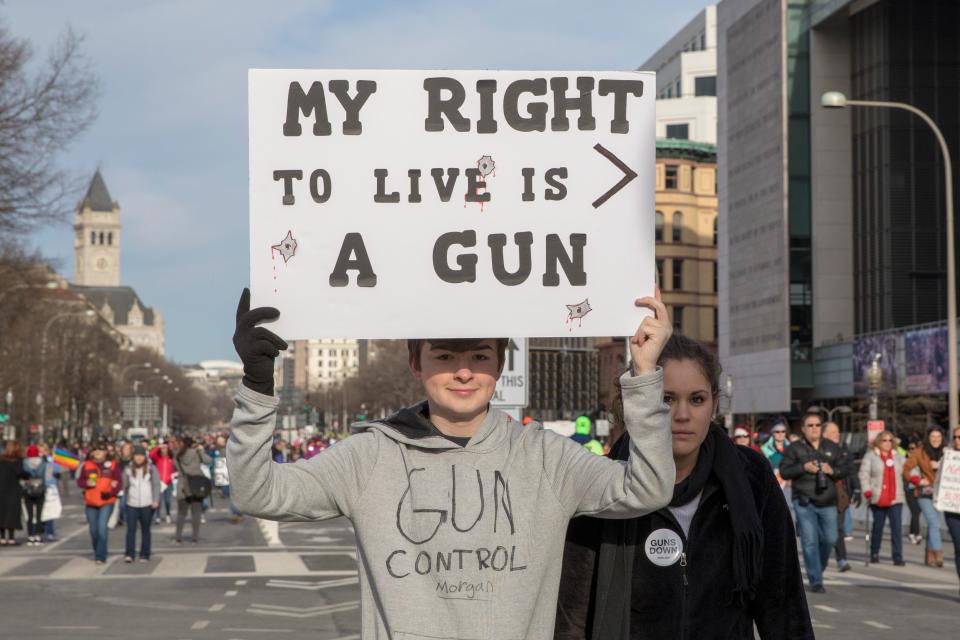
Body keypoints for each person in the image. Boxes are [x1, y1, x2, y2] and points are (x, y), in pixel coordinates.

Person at [227, 287, 675, 639]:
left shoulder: (545, 456)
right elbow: (256, 492)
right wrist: (257, 385)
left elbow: (648, 488)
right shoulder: (369, 455)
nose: (464, 371)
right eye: (444, 356)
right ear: (414, 364)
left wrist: (643, 376)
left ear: (500, 365)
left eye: (479, 356)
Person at [555, 335, 812, 639]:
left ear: (714, 404)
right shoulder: (604, 481)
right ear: (640, 404)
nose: (682, 415)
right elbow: (573, 614)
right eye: (666, 399)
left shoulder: (750, 476)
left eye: (697, 399)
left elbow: (782, 603)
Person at [780, 410, 850, 593]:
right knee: (809, 541)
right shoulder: (795, 448)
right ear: (803, 429)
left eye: (817, 425)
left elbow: (845, 468)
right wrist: (803, 467)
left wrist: (831, 470)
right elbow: (785, 471)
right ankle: (815, 580)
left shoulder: (831, 447)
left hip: (828, 500)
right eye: (810, 425)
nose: (814, 429)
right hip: (804, 501)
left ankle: (817, 569)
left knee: (830, 538)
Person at [858, 430, 906, 565]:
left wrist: (914, 476)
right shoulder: (871, 456)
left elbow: (908, 467)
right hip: (878, 496)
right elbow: (864, 474)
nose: (887, 443)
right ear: (879, 442)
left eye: (890, 440)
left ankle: (897, 556)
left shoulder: (898, 456)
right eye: (884, 440)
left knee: (896, 527)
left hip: (895, 497)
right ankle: (874, 552)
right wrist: (866, 489)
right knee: (878, 526)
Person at [903, 426, 946, 567]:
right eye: (933, 436)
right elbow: (906, 469)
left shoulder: (947, 452)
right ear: (928, 437)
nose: (936, 439)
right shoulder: (919, 452)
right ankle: (938, 553)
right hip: (924, 493)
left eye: (938, 437)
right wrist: (916, 480)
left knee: (933, 524)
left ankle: (928, 556)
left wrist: (940, 465)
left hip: (941, 493)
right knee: (934, 523)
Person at [822, 422, 859, 572]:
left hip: (840, 494)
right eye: (832, 432)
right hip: (822, 494)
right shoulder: (819, 450)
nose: (836, 435)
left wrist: (857, 489)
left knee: (838, 528)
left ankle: (842, 559)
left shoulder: (844, 451)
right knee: (825, 531)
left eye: (837, 432)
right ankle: (820, 558)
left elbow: (852, 471)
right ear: (824, 435)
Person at [77, 441, 122, 563]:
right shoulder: (86, 465)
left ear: (105, 452)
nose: (98, 452)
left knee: (102, 527)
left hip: (106, 501)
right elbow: (79, 481)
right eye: (95, 450)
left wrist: (111, 492)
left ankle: (100, 556)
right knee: (93, 530)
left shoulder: (112, 465)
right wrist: (86, 483)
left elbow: (119, 482)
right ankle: (97, 549)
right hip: (91, 501)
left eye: (100, 450)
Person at [122, 445, 160, 562]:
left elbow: (156, 485)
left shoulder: (151, 468)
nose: (139, 458)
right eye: (137, 456)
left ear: (145, 456)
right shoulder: (128, 469)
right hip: (132, 504)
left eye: (141, 456)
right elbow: (125, 485)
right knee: (131, 530)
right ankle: (130, 553)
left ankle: (145, 553)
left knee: (146, 530)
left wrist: (155, 499)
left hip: (147, 503)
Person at [174, 435, 212, 544]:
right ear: (192, 444)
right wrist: (201, 451)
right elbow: (208, 461)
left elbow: (175, 466)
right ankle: (195, 537)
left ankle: (178, 536)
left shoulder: (178, 455)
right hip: (197, 486)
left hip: (182, 485)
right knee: (196, 513)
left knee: (181, 513)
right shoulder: (197, 452)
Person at [942, 426, 960, 596]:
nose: (957, 440)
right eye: (955, 437)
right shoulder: (947, 457)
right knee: (959, 546)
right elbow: (939, 481)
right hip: (953, 509)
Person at [22, 444, 52, 545]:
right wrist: (46, 487)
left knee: (29, 515)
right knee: (39, 514)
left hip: (28, 490)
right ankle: (38, 535)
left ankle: (30, 535)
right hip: (40, 489)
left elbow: (21, 477)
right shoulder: (43, 463)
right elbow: (47, 476)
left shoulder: (24, 463)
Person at [211, 435, 242, 524]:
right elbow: (215, 464)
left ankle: (237, 513)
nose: (220, 442)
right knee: (231, 496)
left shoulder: (229, 449)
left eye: (221, 441)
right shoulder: (215, 451)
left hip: (233, 476)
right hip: (224, 476)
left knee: (234, 496)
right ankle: (237, 513)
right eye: (218, 441)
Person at [0, 441, 26, 545]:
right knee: (12, 512)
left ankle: (2, 537)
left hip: (1, 489)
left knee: (1, 512)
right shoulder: (17, 461)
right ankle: (11, 537)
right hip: (13, 489)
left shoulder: (1, 460)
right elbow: (20, 473)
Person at [149, 440, 175, 524]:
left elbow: (175, 470)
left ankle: (167, 514)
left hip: (168, 483)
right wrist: (158, 446)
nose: (164, 450)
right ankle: (157, 516)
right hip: (159, 483)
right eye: (162, 448)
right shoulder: (158, 458)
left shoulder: (171, 459)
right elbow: (151, 454)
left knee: (167, 501)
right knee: (158, 501)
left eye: (165, 448)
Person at [903, 439, 923, 545]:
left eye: (914, 449)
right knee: (915, 511)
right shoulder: (904, 461)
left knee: (917, 511)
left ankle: (911, 532)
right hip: (908, 489)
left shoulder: (919, 461)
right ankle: (917, 533)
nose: (912, 451)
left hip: (919, 489)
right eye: (910, 449)